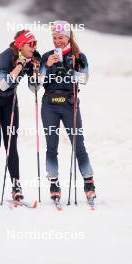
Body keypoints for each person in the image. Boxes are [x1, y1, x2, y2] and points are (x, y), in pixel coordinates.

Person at [39, 20, 96, 202]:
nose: (57, 41)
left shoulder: (78, 56)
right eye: (55, 38)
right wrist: (46, 66)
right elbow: (34, 86)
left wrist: (70, 72)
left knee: (78, 144)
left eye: (61, 37)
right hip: (49, 105)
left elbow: (85, 79)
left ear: (68, 37)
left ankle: (89, 183)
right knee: (51, 146)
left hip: (70, 104)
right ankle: (54, 184)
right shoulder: (46, 56)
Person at [0, 30, 38, 202]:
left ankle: (16, 186)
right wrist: (19, 65)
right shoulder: (6, 57)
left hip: (9, 101)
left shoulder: (33, 56)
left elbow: (34, 88)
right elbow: (4, 85)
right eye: (31, 44)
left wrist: (34, 71)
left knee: (11, 143)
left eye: (36, 44)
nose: (34, 48)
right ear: (20, 45)